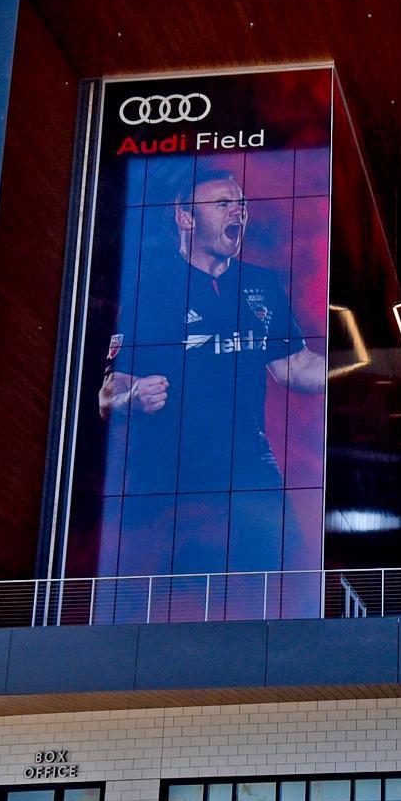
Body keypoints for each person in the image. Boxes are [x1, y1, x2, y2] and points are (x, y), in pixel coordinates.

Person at [97, 170, 324, 573]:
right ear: (185, 217)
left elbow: (294, 366)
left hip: (249, 462)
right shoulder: (149, 288)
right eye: (222, 203)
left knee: (283, 561)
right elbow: (109, 392)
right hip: (172, 472)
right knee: (178, 586)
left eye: (240, 204)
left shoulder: (260, 282)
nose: (238, 211)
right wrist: (134, 397)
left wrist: (356, 369)